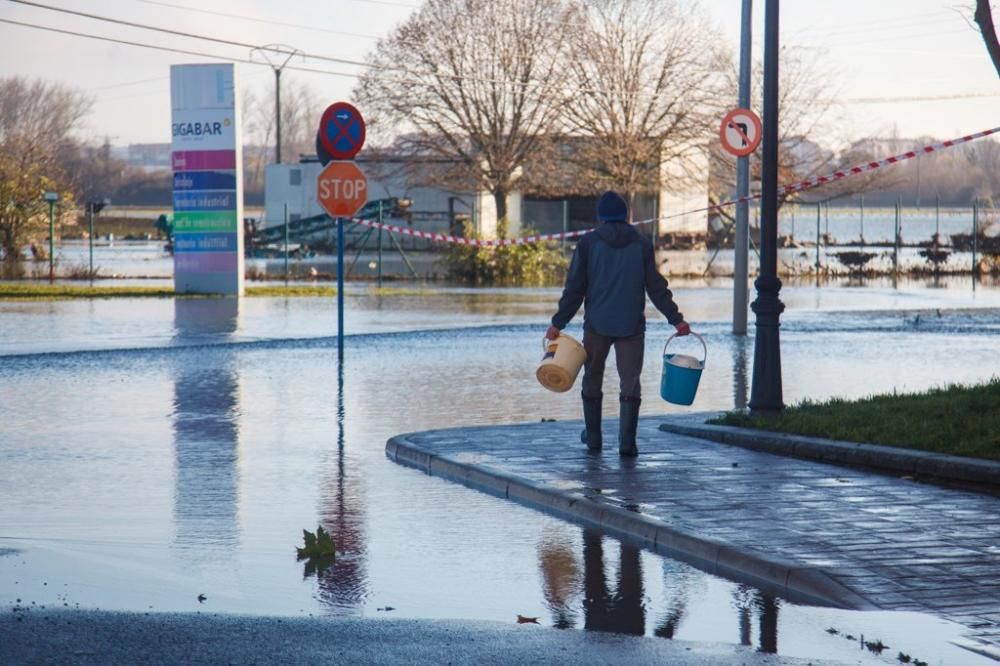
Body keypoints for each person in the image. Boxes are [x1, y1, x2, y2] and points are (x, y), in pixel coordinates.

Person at [546, 191, 689, 457]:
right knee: (630, 381)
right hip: (632, 325)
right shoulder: (642, 243)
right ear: (625, 215)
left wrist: (558, 323)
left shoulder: (588, 244)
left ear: (601, 216)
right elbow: (656, 287)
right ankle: (627, 442)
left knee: (592, 377)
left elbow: (575, 289)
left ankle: (594, 437)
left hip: (597, 324)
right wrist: (676, 319)